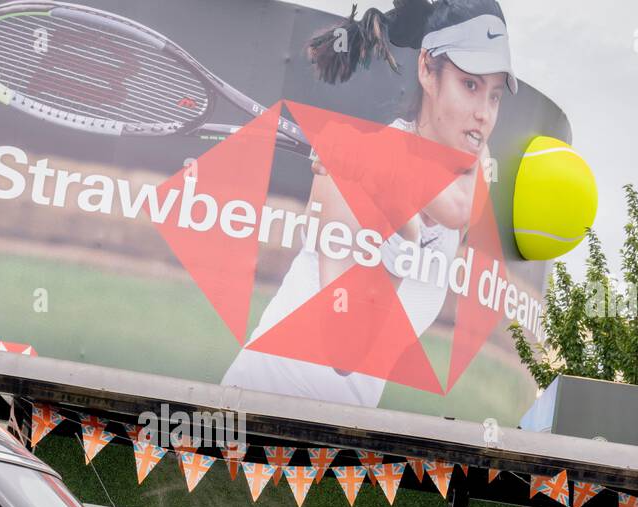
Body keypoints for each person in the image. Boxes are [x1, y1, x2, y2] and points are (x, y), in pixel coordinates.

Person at [219, 0, 517, 406]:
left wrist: (391, 178)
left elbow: (458, 208)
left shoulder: (470, 162)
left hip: (337, 445)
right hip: (253, 414)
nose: (483, 114)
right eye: (470, 86)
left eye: (495, 96)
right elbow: (345, 351)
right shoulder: (348, 178)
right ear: (427, 70)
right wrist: (399, 232)